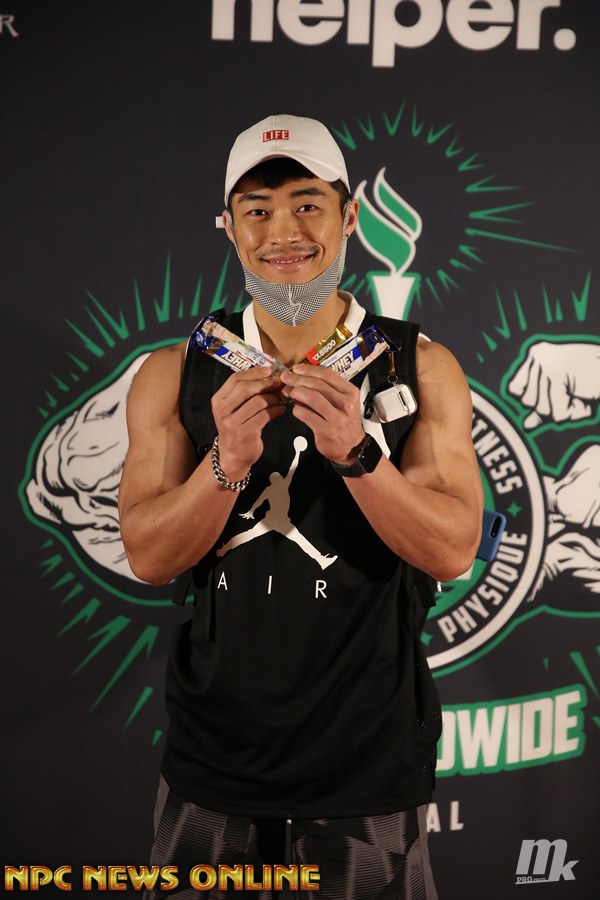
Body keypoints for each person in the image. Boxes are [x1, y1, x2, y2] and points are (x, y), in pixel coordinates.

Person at [118, 113, 483, 899]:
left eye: (307, 204)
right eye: (256, 209)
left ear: (350, 217)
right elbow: (148, 556)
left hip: (368, 766)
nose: (283, 232)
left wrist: (358, 455)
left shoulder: (419, 365)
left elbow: (454, 549)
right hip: (215, 761)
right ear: (228, 227)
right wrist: (226, 460)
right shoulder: (173, 371)